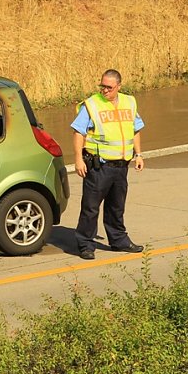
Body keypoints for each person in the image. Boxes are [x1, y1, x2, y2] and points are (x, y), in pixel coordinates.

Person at [71, 70, 145, 260]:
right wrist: (78, 159)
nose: (104, 90)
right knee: (91, 207)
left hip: (121, 166)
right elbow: (79, 132)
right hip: (98, 167)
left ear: (119, 86)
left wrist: (138, 154)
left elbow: (136, 129)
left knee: (116, 206)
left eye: (109, 87)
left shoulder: (129, 102)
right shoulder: (92, 104)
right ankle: (86, 244)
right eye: (102, 86)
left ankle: (119, 240)